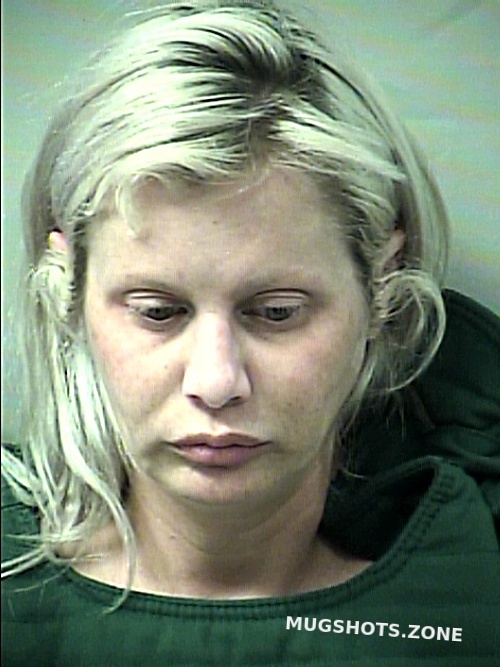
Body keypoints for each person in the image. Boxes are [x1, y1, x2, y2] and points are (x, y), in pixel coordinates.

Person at [2, 1, 498, 665]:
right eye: (158, 311)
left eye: (277, 312)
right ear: (66, 293)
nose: (216, 383)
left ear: (382, 290)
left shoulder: (472, 587)